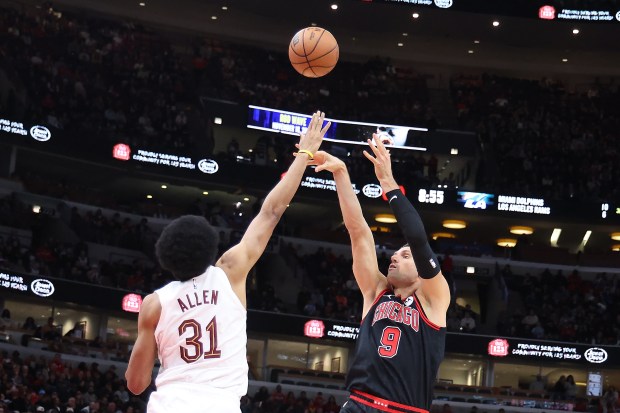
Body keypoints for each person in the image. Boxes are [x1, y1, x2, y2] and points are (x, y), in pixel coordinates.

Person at [125, 111, 330, 412]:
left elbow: (136, 384)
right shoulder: (230, 271)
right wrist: (304, 153)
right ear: (208, 246)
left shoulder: (154, 304)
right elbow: (271, 212)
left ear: (165, 256)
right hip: (220, 404)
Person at [302, 134, 450, 413]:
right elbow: (358, 231)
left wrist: (388, 184)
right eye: (395, 254)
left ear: (422, 270)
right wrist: (341, 173)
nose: (394, 257)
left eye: (404, 256)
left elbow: (417, 239)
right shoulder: (376, 292)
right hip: (358, 405)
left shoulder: (434, 301)